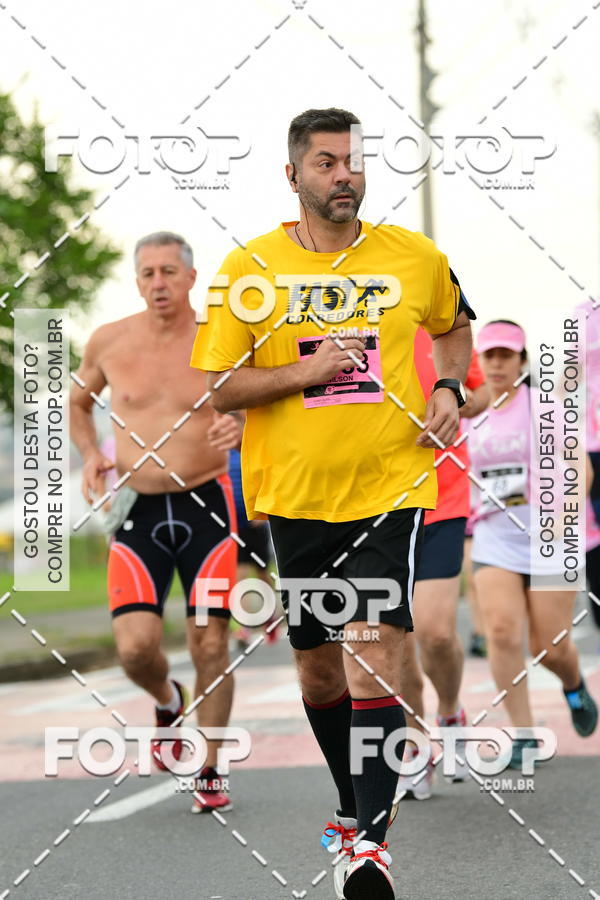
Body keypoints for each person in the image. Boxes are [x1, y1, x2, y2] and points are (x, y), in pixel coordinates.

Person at [191, 107, 475, 899]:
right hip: (294, 497)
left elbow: (455, 327)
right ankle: (353, 804)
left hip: (391, 486)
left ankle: (371, 847)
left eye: (353, 160)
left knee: (375, 649)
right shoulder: (250, 268)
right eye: (326, 163)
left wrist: (449, 387)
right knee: (320, 672)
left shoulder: (413, 257)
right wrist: (306, 374)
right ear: (293, 175)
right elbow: (221, 384)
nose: (344, 175)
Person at [70, 232, 242, 812]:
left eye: (169, 271)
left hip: (208, 506)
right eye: (148, 273)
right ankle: (169, 700)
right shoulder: (110, 340)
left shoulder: (220, 336)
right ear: (137, 281)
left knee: (210, 642)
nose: (158, 282)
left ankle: (211, 769)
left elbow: (260, 400)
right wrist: (90, 453)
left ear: (191, 277)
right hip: (138, 512)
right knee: (135, 650)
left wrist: (242, 423)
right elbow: (78, 401)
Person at [465, 319, 598, 770]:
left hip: (550, 536)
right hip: (495, 538)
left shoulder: (546, 407)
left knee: (549, 648)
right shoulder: (471, 413)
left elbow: (580, 466)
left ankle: (574, 684)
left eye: (507, 355)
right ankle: (523, 735)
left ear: (522, 361)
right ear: (480, 361)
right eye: (490, 355)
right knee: (501, 633)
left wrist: (566, 514)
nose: (497, 363)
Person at [397, 336, 488, 800]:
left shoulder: (442, 328)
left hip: (442, 498)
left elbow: (482, 391)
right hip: (379, 503)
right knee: (395, 637)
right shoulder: (350, 324)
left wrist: (454, 401)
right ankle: (414, 745)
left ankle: (450, 710)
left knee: (433, 632)